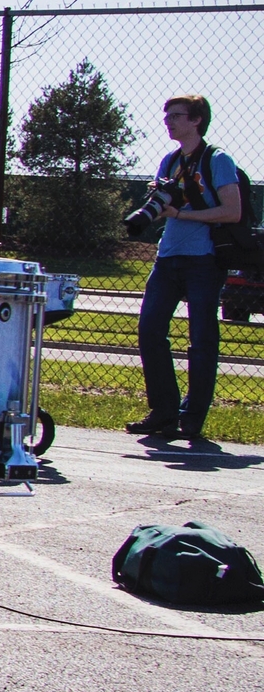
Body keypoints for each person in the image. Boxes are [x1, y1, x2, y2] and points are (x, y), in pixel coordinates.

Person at [131, 94, 243, 443]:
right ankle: (163, 411)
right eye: (167, 116)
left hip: (204, 261)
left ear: (196, 120)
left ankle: (191, 418)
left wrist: (182, 214)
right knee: (149, 331)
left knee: (201, 340)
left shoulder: (218, 160)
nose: (168, 122)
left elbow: (232, 211)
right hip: (168, 259)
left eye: (176, 116)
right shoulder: (170, 161)